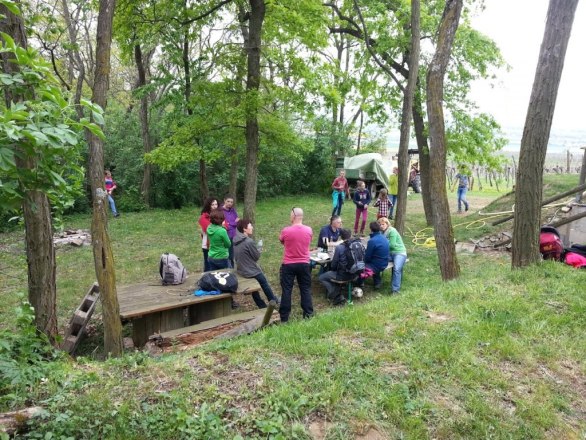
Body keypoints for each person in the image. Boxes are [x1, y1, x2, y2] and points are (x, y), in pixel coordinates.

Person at [233, 219, 279, 309]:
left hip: (241, 270)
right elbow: (256, 257)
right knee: (264, 283)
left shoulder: (235, 240)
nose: (252, 227)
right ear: (244, 229)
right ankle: (273, 300)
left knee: (255, 289)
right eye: (250, 226)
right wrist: (259, 250)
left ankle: (261, 306)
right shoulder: (248, 242)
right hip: (250, 271)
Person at [279, 207, 314, 323]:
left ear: (293, 216)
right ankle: (308, 314)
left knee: (287, 290)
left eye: (290, 215)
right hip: (304, 263)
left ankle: (284, 318)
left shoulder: (286, 231)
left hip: (289, 264)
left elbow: (282, 241)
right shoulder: (309, 230)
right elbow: (308, 242)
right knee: (305, 289)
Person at [318, 228, 354, 305]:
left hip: (343, 275)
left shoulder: (339, 248)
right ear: (350, 236)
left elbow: (334, 264)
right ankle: (340, 287)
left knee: (321, 277)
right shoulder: (355, 245)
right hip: (355, 273)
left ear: (341, 237)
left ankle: (336, 295)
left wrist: (333, 269)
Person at [357, 222, 389, 289]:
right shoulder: (384, 238)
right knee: (375, 261)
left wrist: (361, 259)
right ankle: (377, 282)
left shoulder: (372, 241)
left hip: (377, 265)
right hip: (385, 262)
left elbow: (367, 257)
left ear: (371, 229)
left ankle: (360, 283)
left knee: (359, 265)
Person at [386, 220, 407, 295]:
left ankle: (395, 290)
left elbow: (392, 245)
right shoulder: (381, 232)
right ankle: (377, 283)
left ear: (387, 224)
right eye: (380, 224)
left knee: (396, 268)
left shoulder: (392, 231)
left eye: (383, 224)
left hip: (399, 253)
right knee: (377, 259)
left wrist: (382, 244)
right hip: (390, 253)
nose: (381, 226)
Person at [198, 197, 218, 272]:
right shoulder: (203, 217)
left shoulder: (219, 214)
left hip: (218, 245)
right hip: (208, 245)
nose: (215, 206)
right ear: (208, 206)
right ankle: (206, 281)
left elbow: (226, 226)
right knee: (208, 267)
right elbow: (210, 230)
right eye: (212, 204)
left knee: (217, 267)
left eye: (216, 204)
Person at [221, 195, 239, 266]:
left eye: (231, 202)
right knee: (226, 253)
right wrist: (234, 223)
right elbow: (225, 225)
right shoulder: (221, 211)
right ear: (224, 200)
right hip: (225, 235)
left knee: (232, 254)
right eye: (228, 201)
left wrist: (231, 223)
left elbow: (238, 221)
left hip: (234, 235)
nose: (230, 203)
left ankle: (231, 268)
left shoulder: (233, 210)